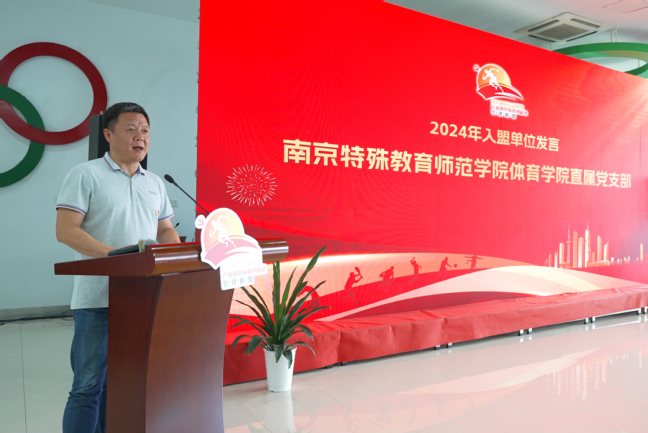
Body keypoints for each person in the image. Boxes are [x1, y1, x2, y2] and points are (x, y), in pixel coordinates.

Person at [55, 102, 180, 433]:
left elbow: (166, 230)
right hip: (97, 300)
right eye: (131, 129)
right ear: (108, 135)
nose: (140, 136)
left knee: (121, 384)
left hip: (141, 299)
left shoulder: (155, 182)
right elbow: (66, 230)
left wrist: (175, 256)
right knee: (87, 387)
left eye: (145, 130)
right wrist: (115, 256)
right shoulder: (85, 174)